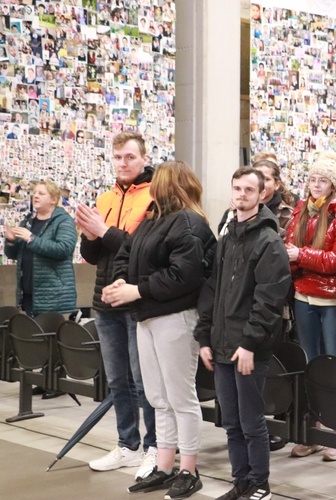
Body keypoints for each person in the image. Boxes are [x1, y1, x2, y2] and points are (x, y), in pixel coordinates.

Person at [104, 161, 216, 499]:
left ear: (169, 185)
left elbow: (185, 276)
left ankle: (189, 469)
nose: (151, 188)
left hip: (176, 317)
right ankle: (165, 466)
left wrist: (136, 290)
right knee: (157, 397)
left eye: (157, 183)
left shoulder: (190, 223)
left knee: (181, 399)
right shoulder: (153, 219)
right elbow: (126, 254)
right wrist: (121, 281)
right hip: (148, 316)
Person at [195, 167, 291, 500]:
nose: (242, 195)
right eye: (237, 188)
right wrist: (203, 337)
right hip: (221, 344)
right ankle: (241, 481)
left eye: (249, 190)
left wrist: (249, 344)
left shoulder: (269, 241)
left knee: (252, 422)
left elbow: (269, 299)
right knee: (231, 422)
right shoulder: (226, 237)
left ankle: (260, 483)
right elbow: (212, 290)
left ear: (261, 194)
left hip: (248, 348)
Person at [76, 131, 157, 479]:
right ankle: (127, 444)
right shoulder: (105, 197)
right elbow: (92, 255)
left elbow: (143, 251)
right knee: (118, 380)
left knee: (144, 382)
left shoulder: (155, 196)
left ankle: (155, 447)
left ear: (144, 158)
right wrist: (91, 235)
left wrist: (103, 230)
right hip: (103, 299)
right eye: (118, 157)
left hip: (136, 298)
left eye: (130, 157)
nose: (123, 163)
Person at [284, 151, 336, 461]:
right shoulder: (300, 212)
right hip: (304, 297)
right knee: (311, 364)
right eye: (313, 179)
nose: (316, 185)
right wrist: (297, 257)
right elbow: (286, 249)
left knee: (333, 364)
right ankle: (313, 429)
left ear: (333, 185)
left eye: (323, 180)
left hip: (333, 300)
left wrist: (300, 256)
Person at [3, 180, 77, 316]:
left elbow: (64, 249)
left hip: (54, 299)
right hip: (28, 296)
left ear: (53, 199)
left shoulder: (64, 221)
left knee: (49, 336)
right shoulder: (27, 221)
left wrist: (31, 239)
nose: (35, 196)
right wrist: (11, 241)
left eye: (41, 193)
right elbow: (14, 255)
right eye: (34, 193)